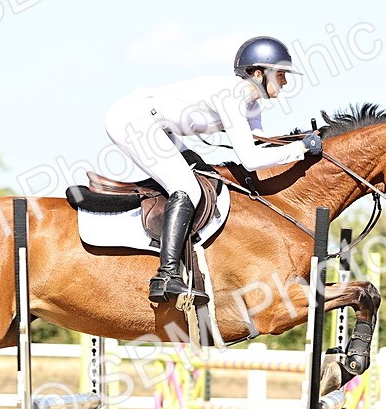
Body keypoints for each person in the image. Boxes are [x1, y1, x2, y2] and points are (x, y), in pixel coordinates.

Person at [104, 35, 322, 305]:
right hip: (133, 120)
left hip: (160, 127)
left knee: (201, 175)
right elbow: (250, 160)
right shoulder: (233, 95)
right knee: (187, 188)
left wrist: (301, 140)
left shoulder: (252, 105)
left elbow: (261, 144)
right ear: (258, 73)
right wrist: (301, 148)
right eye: (280, 74)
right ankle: (166, 275)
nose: (286, 81)